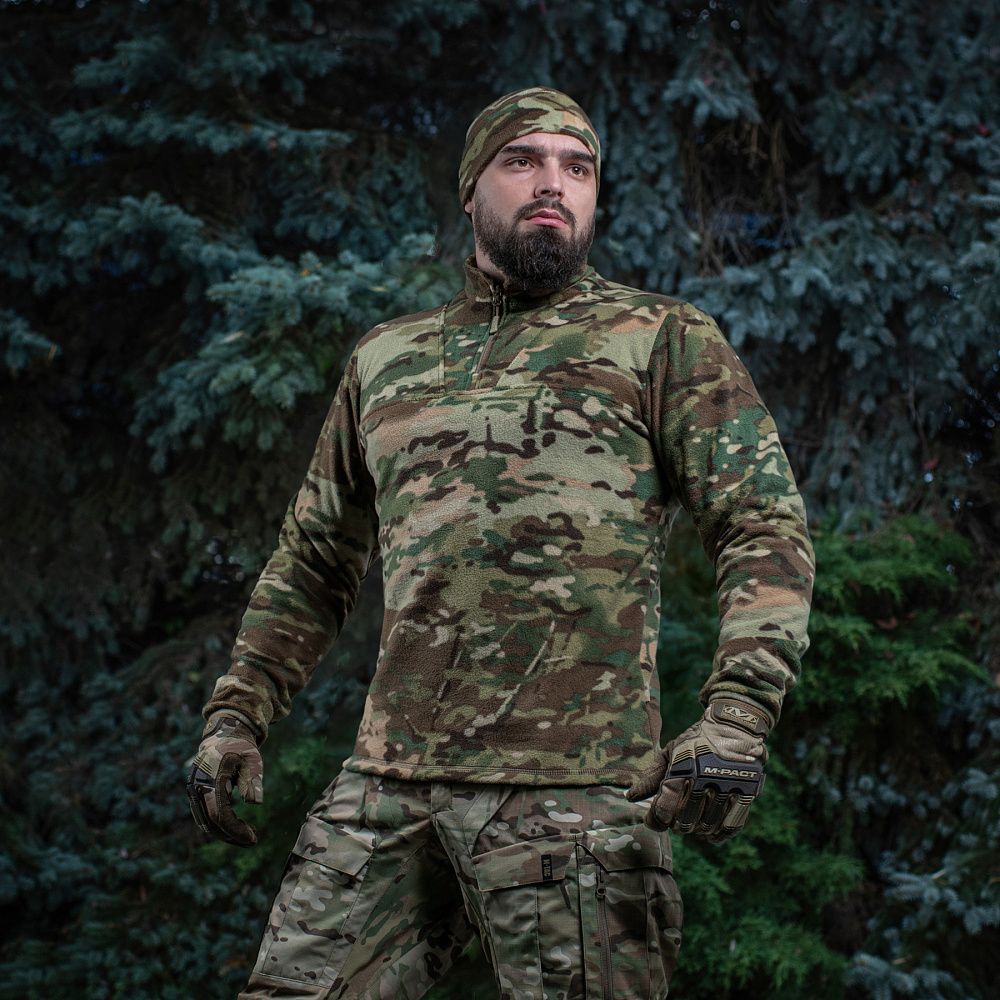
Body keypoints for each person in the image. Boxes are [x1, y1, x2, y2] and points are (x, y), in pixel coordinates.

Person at [187, 87, 816, 1000]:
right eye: (523, 161)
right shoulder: (386, 359)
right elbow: (315, 560)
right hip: (388, 789)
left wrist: (738, 716)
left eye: (578, 167)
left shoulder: (661, 340)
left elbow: (762, 526)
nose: (553, 183)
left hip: (580, 799)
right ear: (471, 188)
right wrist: (237, 715)